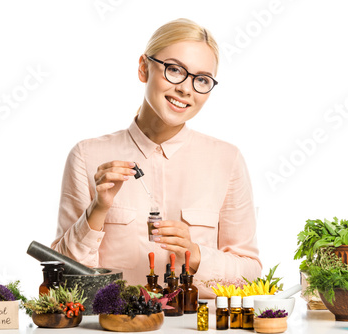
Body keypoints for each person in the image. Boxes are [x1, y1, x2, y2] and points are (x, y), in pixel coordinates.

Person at [51, 18, 261, 298]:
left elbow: (250, 276)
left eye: (201, 79)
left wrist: (196, 254)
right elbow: (60, 278)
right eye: (174, 70)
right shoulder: (87, 157)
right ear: (143, 68)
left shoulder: (227, 160)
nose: (186, 89)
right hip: (117, 327)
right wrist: (97, 211)